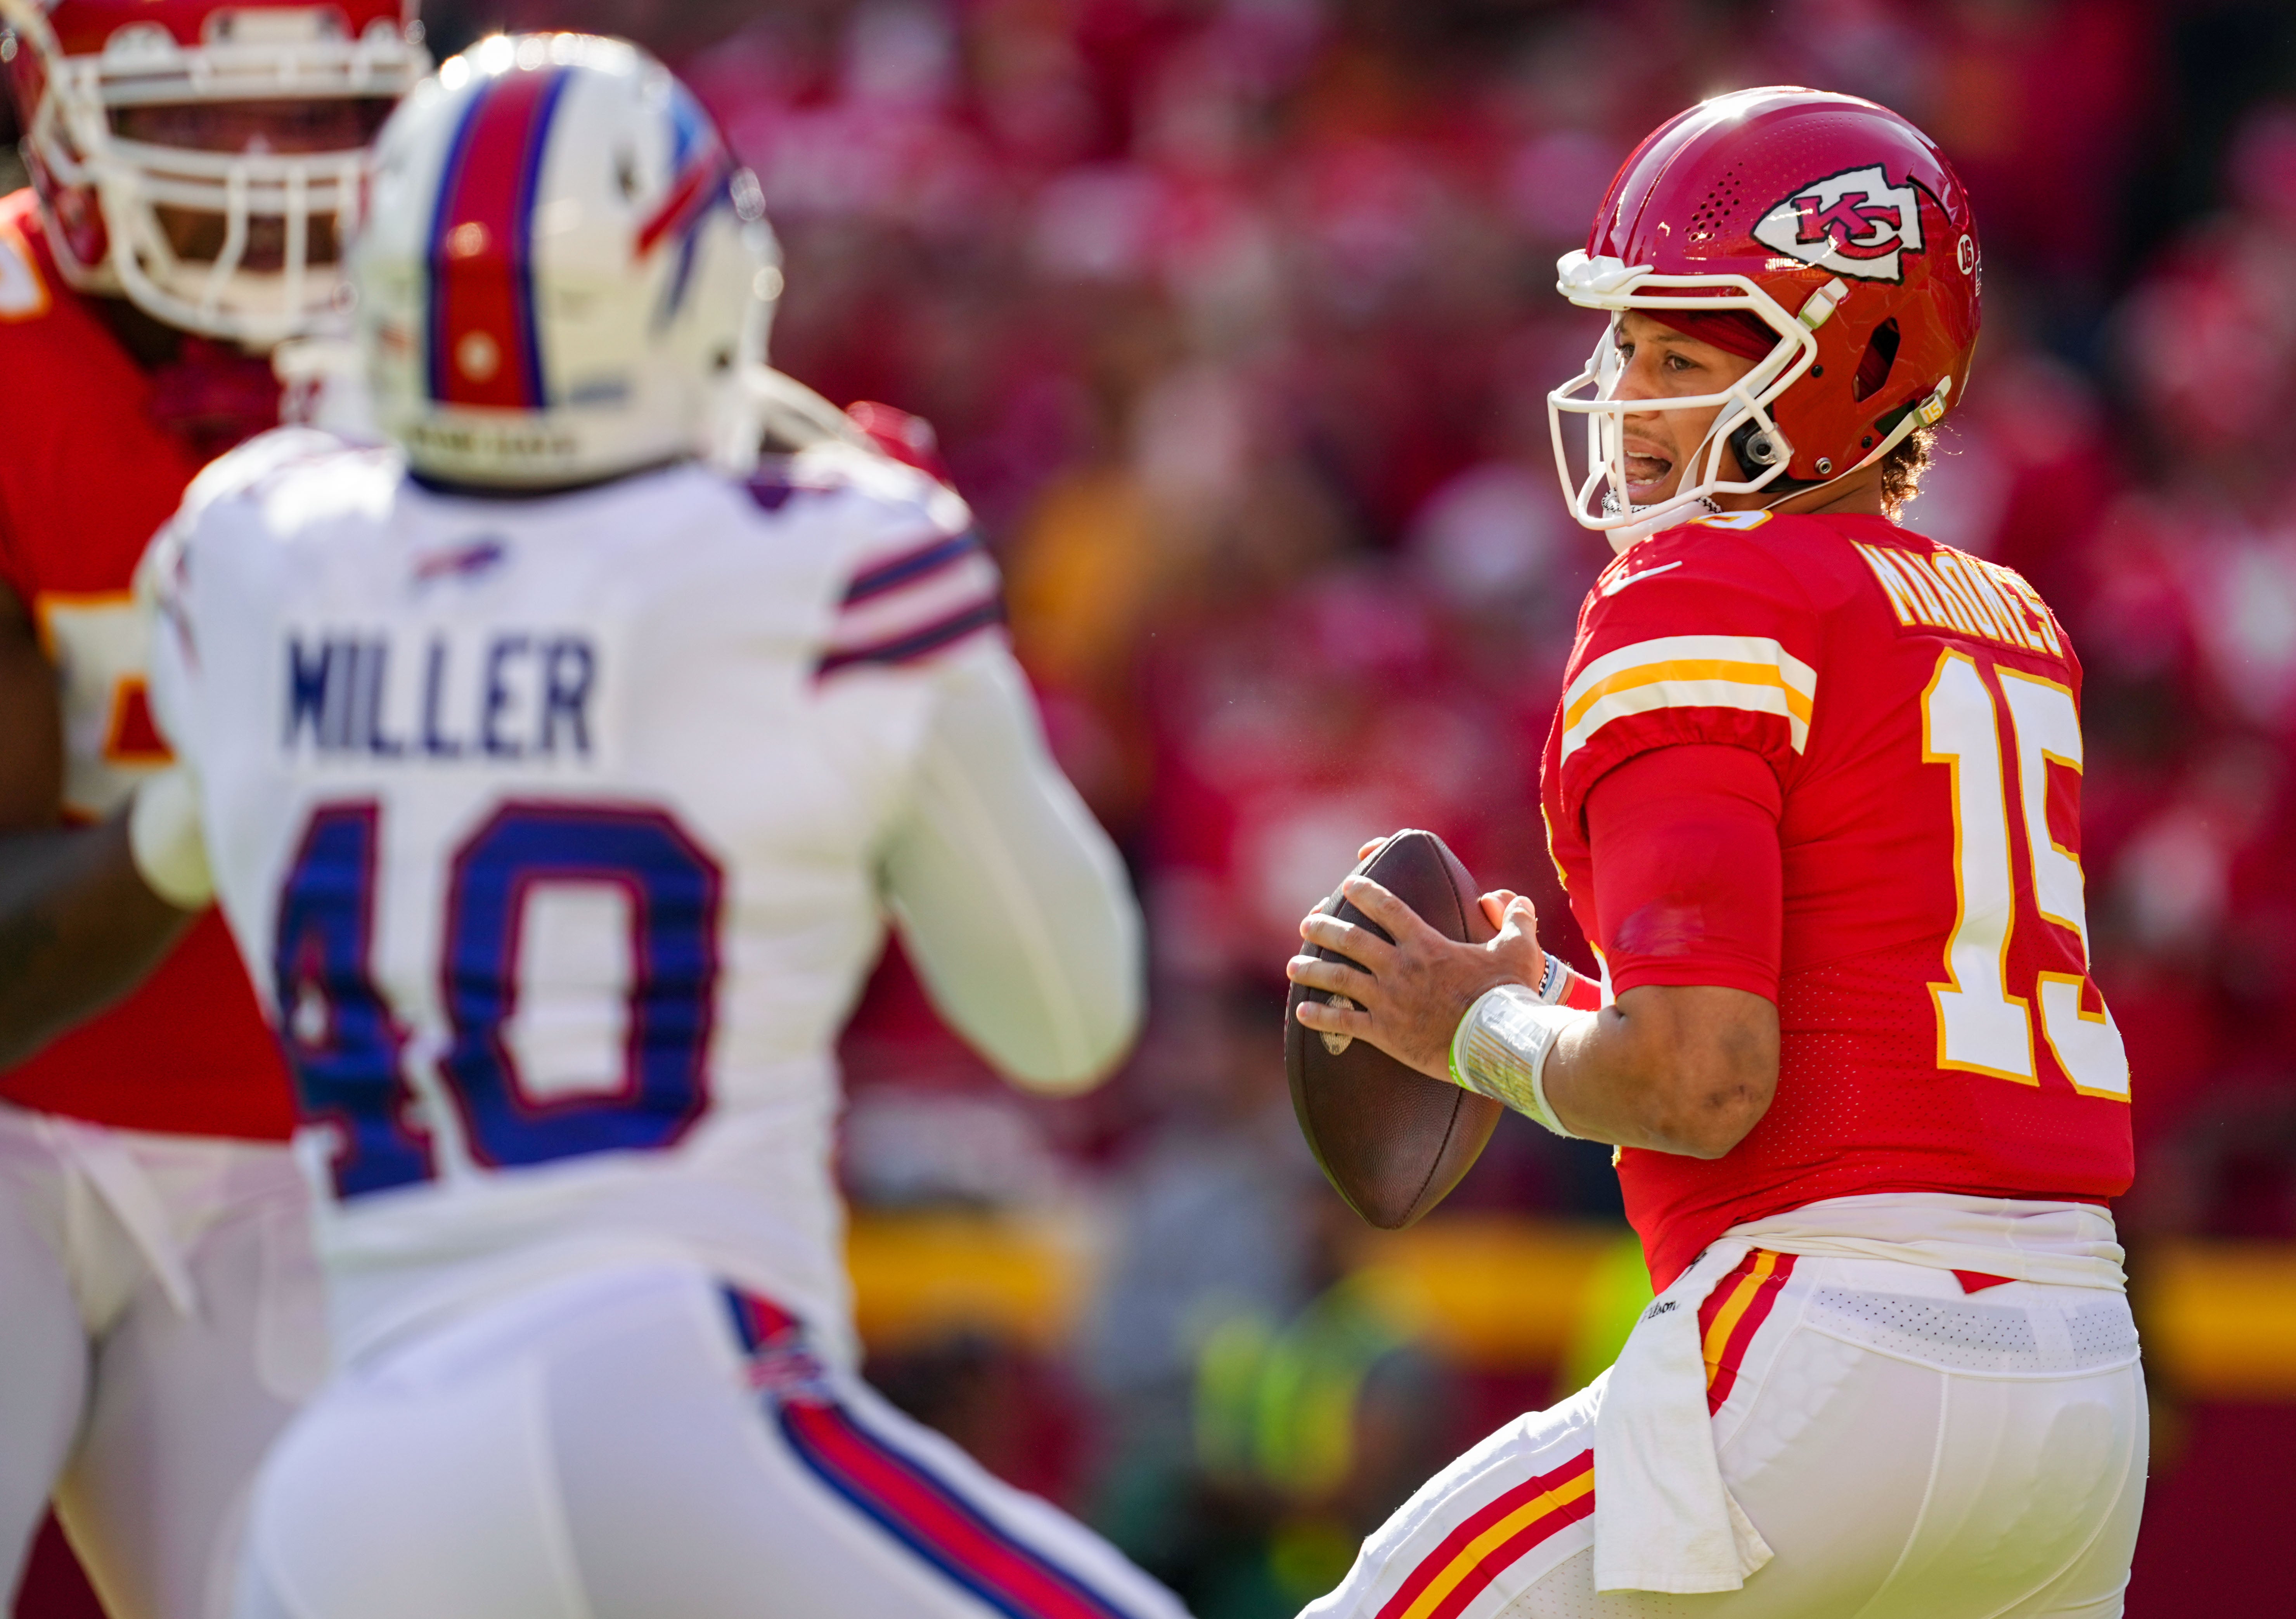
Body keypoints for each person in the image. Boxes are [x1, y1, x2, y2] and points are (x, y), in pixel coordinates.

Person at [136, 30, 1190, 1619]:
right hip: (672, 1386)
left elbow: (234, 783)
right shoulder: (843, 562)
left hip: (349, 1471)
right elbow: (1067, 1017)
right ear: (693, 282)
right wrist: (920, 607)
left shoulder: (245, 551)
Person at [1287, 88, 2145, 1617]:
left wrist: (1469, 1027)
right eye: (1627, 346)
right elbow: (1856, 994)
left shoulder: (1701, 589)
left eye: (1682, 352)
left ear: (1862, 364)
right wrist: (1559, 988)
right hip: (2077, 1377)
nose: (1632, 395)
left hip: (1828, 1346)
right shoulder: (2010, 617)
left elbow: (1700, 1079)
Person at [0, 4, 424, 1614]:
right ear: (52, 108)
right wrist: (199, 819)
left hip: (289, 1143)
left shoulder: (473, 359)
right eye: (205, 120)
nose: (275, 181)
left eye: (320, 123)